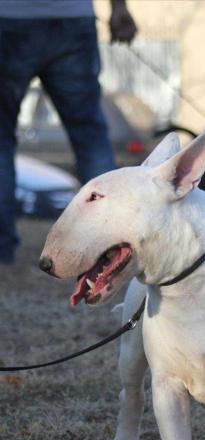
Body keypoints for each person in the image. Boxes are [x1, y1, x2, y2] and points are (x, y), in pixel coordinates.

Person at [0, 0, 137, 263]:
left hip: (9, 18)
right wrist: (119, 8)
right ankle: (111, 240)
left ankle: (1, 248)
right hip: (72, 18)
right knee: (90, 137)